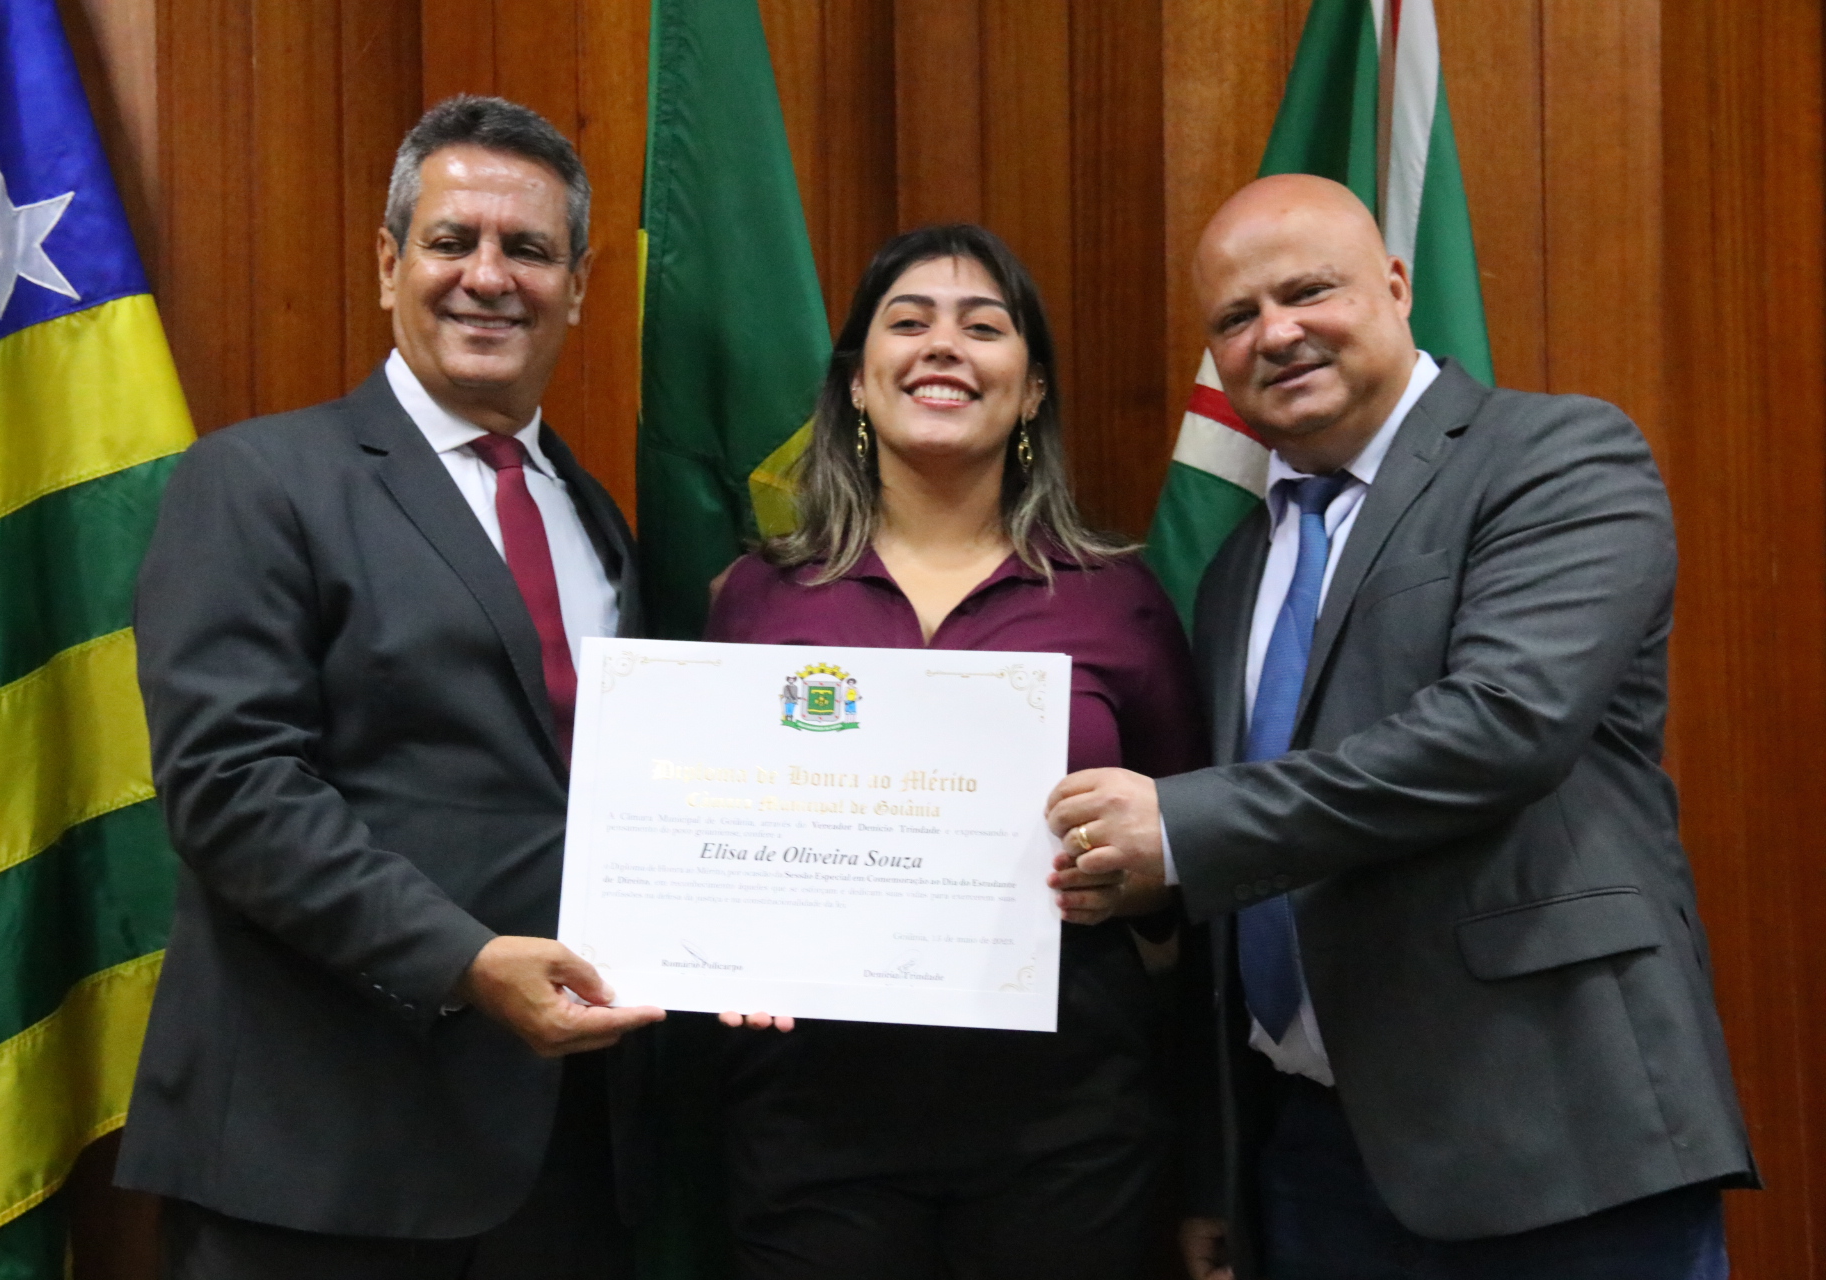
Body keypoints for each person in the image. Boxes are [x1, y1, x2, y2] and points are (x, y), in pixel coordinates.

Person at [1047, 174, 1757, 1280]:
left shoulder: (1553, 456)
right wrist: (1216, 1162)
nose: (1275, 333)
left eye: (1307, 292)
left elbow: (1502, 727)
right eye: (1235, 317)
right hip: (1314, 1157)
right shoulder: (1238, 566)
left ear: (1394, 284)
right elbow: (1251, 871)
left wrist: (1178, 827)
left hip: (1553, 1129)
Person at [115, 96, 664, 1279]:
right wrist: (464, 957)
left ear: (577, 285)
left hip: (559, 1163)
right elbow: (231, 788)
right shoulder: (259, 480)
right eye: (451, 240)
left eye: (528, 249)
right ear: (386, 264)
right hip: (319, 1161)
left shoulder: (595, 518)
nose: (488, 276)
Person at [706, 224, 1212, 1279]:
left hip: (1070, 1127)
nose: (944, 346)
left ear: (1031, 392)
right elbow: (713, 837)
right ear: (856, 381)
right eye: (909, 322)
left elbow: (1193, 870)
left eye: (984, 328)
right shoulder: (759, 596)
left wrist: (1135, 888)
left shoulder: (1118, 599)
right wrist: (720, 944)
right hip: (814, 1127)